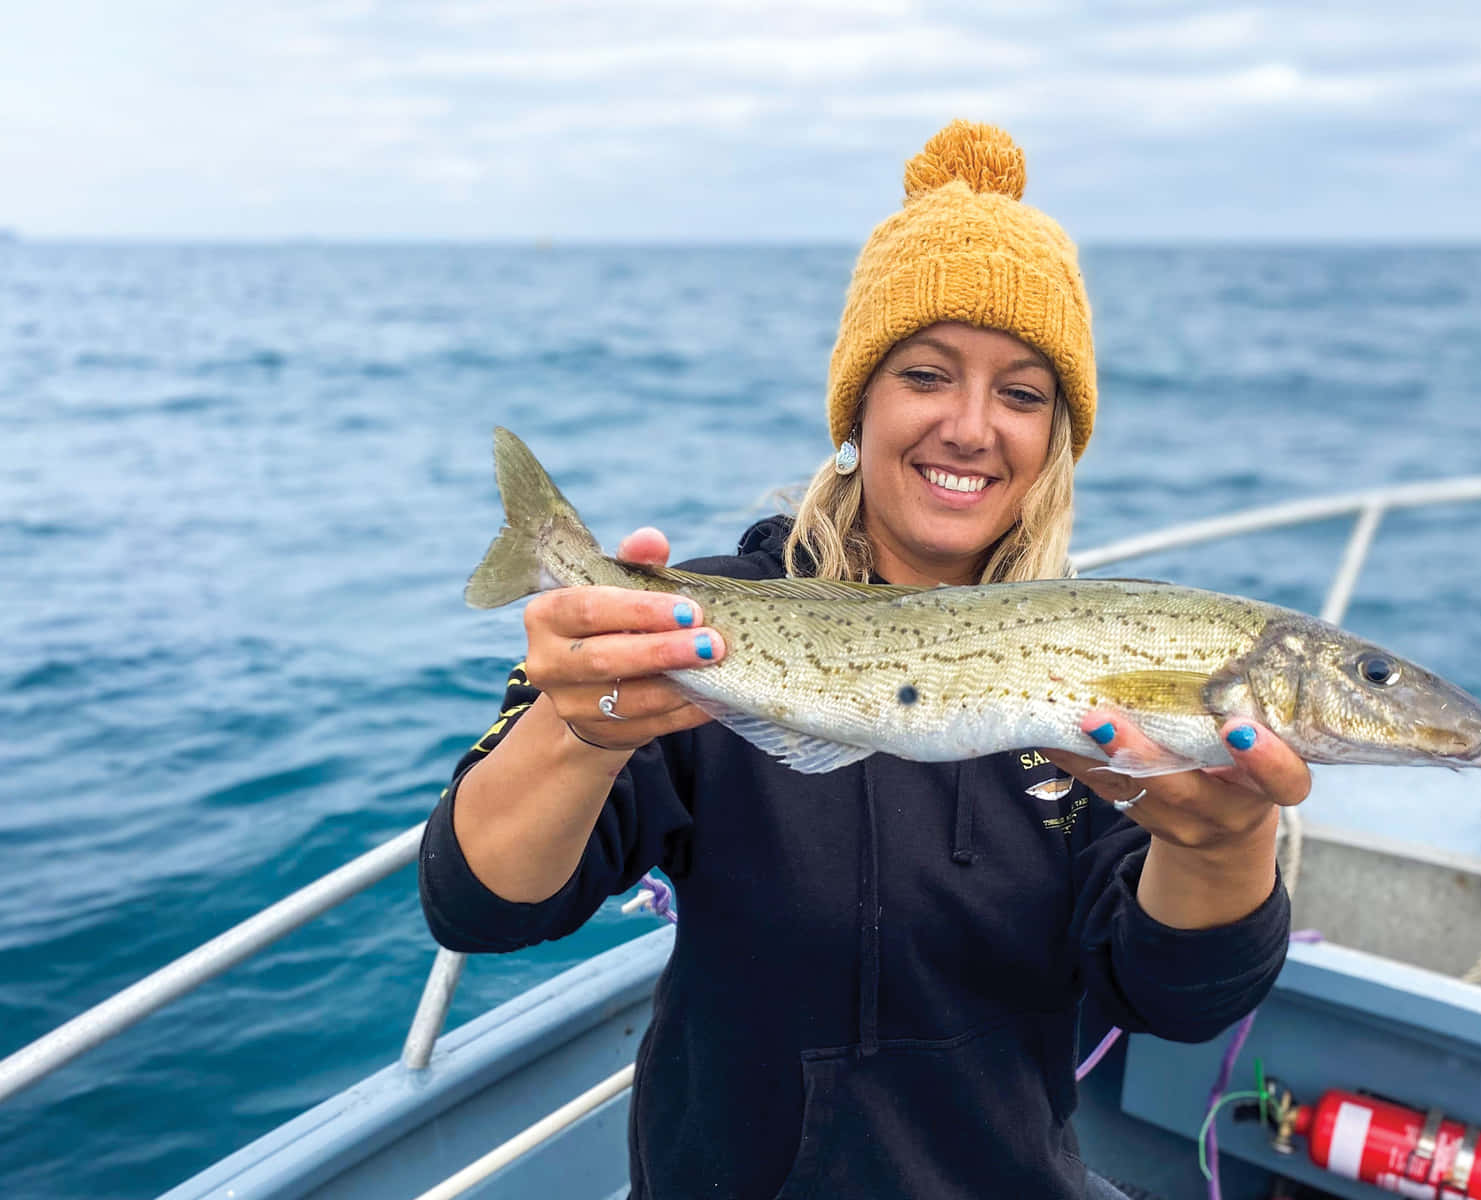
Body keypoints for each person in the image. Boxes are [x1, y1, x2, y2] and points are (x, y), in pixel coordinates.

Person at [418, 120, 1309, 1200]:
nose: (973, 427)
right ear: (860, 406)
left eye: (1024, 394)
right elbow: (483, 907)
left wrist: (1227, 846)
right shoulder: (703, 618)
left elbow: (1174, 996)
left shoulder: (1100, 667)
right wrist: (575, 732)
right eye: (928, 374)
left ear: (1057, 439)